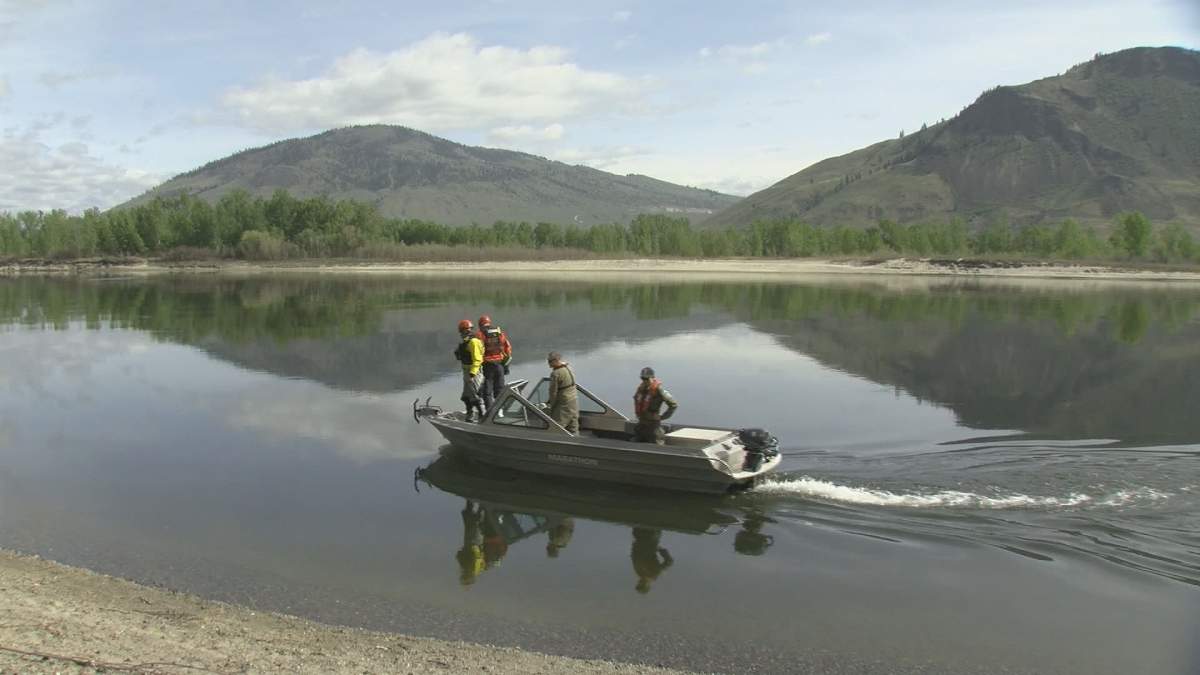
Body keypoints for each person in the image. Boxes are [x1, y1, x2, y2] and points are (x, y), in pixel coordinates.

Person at [476, 315, 513, 412]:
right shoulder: (499, 333)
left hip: (488, 366)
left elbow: (478, 351)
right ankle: (500, 412)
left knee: (487, 392)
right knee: (499, 390)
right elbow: (507, 348)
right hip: (500, 365)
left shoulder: (480, 335)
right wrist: (506, 365)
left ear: (480, 325)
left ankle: (490, 413)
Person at [632, 366, 677, 445]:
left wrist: (663, 416)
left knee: (657, 444)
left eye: (647, 379)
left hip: (653, 425)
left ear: (652, 378)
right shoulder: (641, 389)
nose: (645, 381)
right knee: (634, 442)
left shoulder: (659, 390)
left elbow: (673, 405)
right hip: (641, 424)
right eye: (643, 378)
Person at [454, 319, 485, 421]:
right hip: (466, 373)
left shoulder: (474, 342)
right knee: (466, 396)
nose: (462, 333)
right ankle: (470, 414)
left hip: (473, 373)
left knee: (474, 396)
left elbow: (478, 359)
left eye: (464, 331)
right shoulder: (466, 342)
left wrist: (472, 373)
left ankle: (482, 415)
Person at [630, 527, 673, 594]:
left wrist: (634, 545)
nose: (640, 582)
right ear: (648, 585)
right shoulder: (654, 573)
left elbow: (634, 557)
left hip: (639, 538)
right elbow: (669, 561)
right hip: (651, 538)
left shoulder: (639, 572)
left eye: (639, 584)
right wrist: (660, 550)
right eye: (642, 585)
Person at [545, 352, 579, 434]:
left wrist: (551, 405)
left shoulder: (555, 373)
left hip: (563, 403)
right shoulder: (568, 368)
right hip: (573, 400)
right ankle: (576, 443)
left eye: (550, 361)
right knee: (573, 426)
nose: (548, 364)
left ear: (556, 360)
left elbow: (553, 392)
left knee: (557, 426)